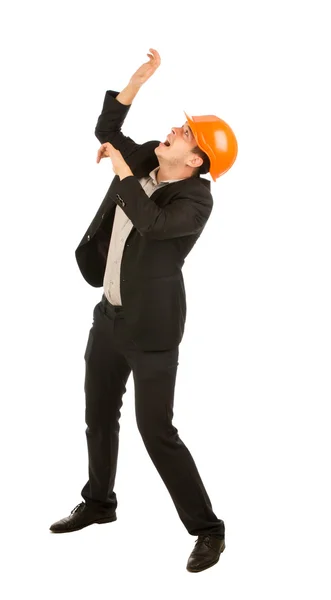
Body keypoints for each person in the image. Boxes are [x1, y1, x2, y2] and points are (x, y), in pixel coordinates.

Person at [49, 48, 238, 573]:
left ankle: (208, 530)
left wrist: (120, 167)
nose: (175, 130)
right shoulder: (149, 162)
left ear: (196, 161)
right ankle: (99, 503)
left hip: (152, 330)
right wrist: (136, 81)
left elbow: (153, 226)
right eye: (179, 124)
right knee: (97, 416)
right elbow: (106, 126)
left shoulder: (196, 201)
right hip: (108, 317)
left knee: (156, 432)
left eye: (185, 133)